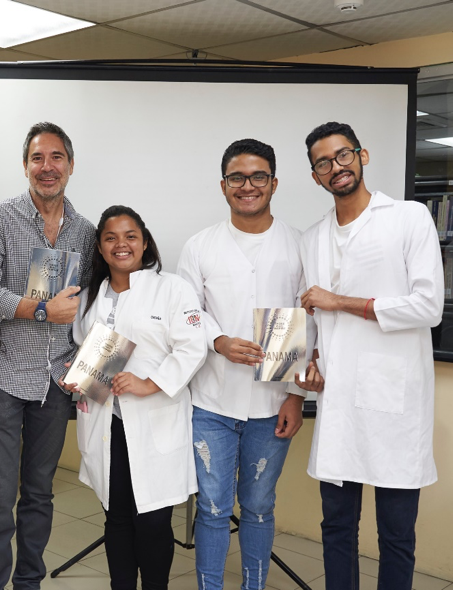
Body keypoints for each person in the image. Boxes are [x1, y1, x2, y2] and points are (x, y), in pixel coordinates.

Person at [299, 122, 443, 590]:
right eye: (323, 162)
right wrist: (311, 360)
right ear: (316, 176)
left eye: (343, 155)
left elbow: (428, 307)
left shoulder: (408, 218)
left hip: (393, 405)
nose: (336, 167)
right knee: (337, 527)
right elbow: (314, 318)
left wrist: (341, 301)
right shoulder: (312, 238)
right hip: (339, 404)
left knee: (396, 534)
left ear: (362, 156)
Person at [177, 139, 322, 589]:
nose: (247, 186)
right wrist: (218, 341)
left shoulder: (299, 245)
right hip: (211, 404)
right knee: (213, 509)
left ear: (274, 183)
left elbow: (308, 320)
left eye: (258, 176)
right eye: (237, 178)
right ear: (223, 185)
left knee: (259, 507)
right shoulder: (200, 246)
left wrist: (295, 396)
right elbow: (188, 313)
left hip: (272, 404)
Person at [0, 121, 95, 589]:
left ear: (70, 165)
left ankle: (29, 583)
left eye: (56, 157)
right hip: (3, 379)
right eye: (38, 158)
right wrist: (40, 309)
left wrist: (89, 366)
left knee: (40, 496)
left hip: (55, 383)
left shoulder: (87, 232)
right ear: (25, 166)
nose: (47, 167)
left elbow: (96, 306)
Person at [61, 205, 207, 589]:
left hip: (155, 419)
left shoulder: (172, 288)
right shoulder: (88, 297)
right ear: (100, 247)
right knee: (117, 519)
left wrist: (149, 383)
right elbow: (82, 349)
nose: (121, 244)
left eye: (130, 236)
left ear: (144, 243)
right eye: (110, 238)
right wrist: (77, 375)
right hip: (106, 422)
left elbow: (192, 348)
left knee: (154, 521)